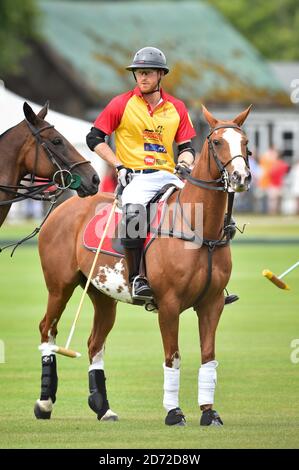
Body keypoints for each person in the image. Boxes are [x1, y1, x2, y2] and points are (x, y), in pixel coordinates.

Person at [86, 46, 196, 301]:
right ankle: (137, 278)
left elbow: (187, 147)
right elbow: (94, 138)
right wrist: (118, 165)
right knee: (135, 215)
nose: (142, 77)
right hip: (136, 177)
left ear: (160, 75)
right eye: (138, 73)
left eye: (147, 72)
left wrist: (185, 164)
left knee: (199, 210)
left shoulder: (177, 108)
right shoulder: (121, 103)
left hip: (168, 175)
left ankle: (205, 280)